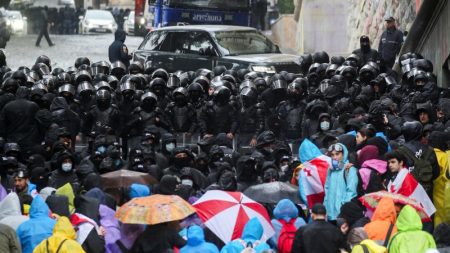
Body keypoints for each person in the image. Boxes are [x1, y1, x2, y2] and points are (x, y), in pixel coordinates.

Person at [323, 143, 358, 222]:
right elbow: (327, 189)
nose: (334, 157)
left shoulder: (349, 169)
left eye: (337, 154)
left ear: (343, 154)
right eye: (332, 155)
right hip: (330, 214)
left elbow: (351, 192)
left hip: (342, 214)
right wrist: (325, 208)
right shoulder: (331, 170)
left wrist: (343, 208)